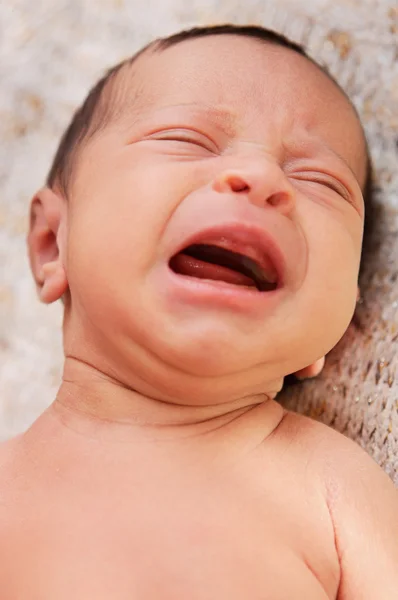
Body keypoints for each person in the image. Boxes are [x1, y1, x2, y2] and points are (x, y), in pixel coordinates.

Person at [0, 24, 396, 599]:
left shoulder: (329, 487)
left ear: (339, 323)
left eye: (320, 181)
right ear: (51, 244)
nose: (262, 180)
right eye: (187, 140)